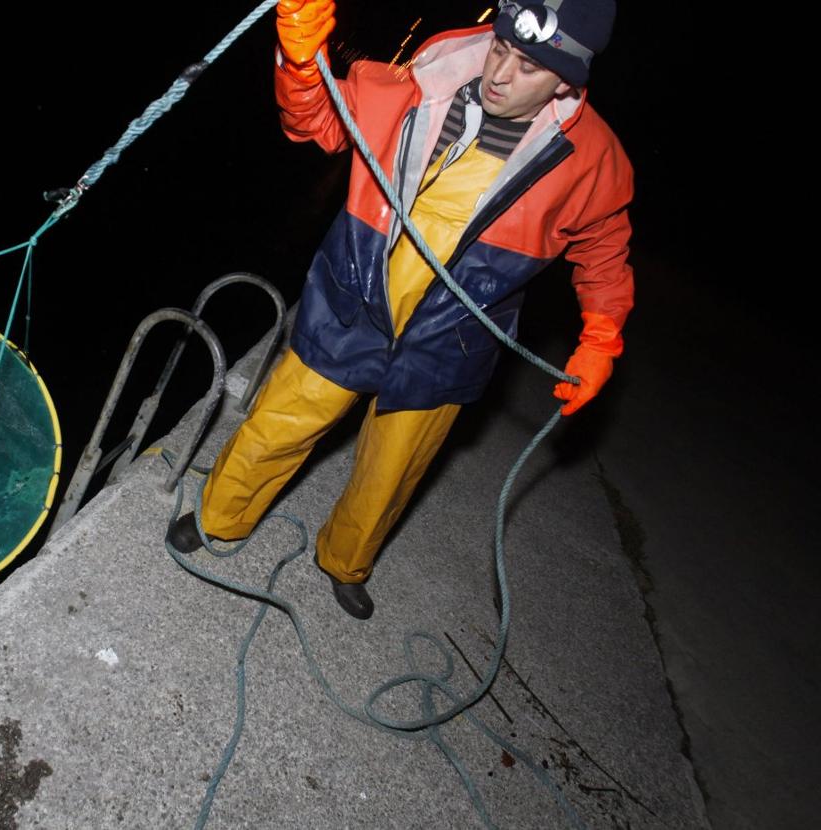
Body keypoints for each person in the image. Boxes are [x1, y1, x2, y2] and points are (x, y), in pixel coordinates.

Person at [168, 0, 633, 620]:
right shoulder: (412, 86)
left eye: (526, 67)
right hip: (356, 298)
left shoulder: (593, 159)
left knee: (396, 463)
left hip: (455, 336)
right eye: (499, 50)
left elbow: (604, 249)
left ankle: (346, 562)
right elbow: (313, 123)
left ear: (565, 82)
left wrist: (602, 334)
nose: (499, 73)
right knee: (284, 419)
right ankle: (218, 516)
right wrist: (301, 61)